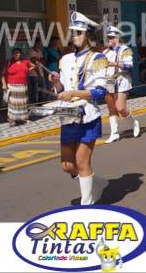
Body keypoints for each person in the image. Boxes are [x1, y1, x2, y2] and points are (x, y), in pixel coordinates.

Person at [48, 12, 109, 205]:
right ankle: (98, 181)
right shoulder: (65, 59)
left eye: (78, 33)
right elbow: (62, 89)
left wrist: (74, 92)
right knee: (67, 165)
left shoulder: (98, 58)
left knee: (82, 163)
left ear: (89, 35)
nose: (74, 36)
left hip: (88, 116)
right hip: (68, 114)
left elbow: (100, 92)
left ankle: (87, 205)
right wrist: (56, 83)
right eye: (73, 32)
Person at [103, 26, 140, 144]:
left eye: (111, 37)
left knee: (120, 108)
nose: (109, 39)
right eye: (108, 37)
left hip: (121, 79)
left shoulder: (125, 50)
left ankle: (134, 122)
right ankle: (114, 133)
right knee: (111, 107)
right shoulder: (106, 51)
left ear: (117, 38)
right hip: (109, 80)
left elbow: (129, 65)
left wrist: (115, 64)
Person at [1, 48, 34, 126]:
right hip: (12, 86)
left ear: (20, 54)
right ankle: (12, 119)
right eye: (15, 53)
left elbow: (34, 65)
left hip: (23, 86)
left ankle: (24, 118)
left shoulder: (25, 61)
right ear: (12, 54)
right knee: (13, 104)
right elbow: (2, 74)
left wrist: (27, 70)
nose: (16, 54)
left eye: (18, 53)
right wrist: (4, 84)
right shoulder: (9, 62)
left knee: (23, 103)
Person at [28, 40, 44, 105]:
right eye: (37, 43)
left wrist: (38, 60)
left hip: (41, 73)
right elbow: (35, 65)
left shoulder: (39, 51)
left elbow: (42, 60)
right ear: (34, 43)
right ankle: (34, 105)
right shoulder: (32, 52)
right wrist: (39, 75)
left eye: (39, 43)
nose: (39, 45)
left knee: (41, 90)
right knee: (34, 91)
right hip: (34, 75)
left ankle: (40, 104)